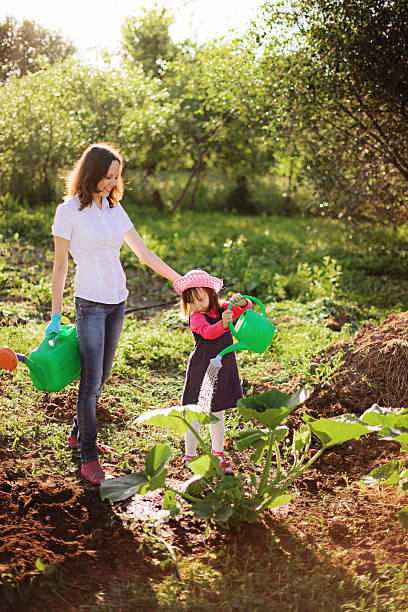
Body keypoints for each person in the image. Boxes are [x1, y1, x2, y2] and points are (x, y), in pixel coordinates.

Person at [47, 142, 180, 485]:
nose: (111, 183)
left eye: (116, 177)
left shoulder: (113, 209)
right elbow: (60, 267)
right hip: (89, 304)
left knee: (102, 375)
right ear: (91, 173)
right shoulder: (68, 212)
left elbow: (143, 252)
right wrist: (55, 316)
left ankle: (79, 433)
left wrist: (179, 280)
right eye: (107, 177)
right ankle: (87, 456)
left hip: (116, 301)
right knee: (90, 384)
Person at [173, 269, 252, 474]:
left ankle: (218, 453)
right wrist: (224, 323)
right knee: (195, 413)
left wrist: (241, 302)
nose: (197, 306)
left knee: (217, 411)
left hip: (223, 367)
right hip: (201, 369)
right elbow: (208, 333)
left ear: (211, 293)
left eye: (201, 300)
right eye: (192, 302)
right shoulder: (196, 318)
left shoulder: (222, 308)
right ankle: (190, 455)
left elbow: (243, 309)